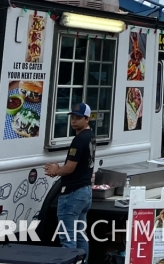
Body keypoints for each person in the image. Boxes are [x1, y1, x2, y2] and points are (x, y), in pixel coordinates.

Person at [45, 103, 95, 260]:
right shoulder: (91, 136)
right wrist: (62, 168)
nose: (74, 121)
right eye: (72, 118)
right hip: (86, 191)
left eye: (78, 118)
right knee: (81, 235)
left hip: (72, 193)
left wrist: (56, 171)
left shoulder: (79, 140)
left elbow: (69, 168)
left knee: (68, 238)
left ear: (87, 119)